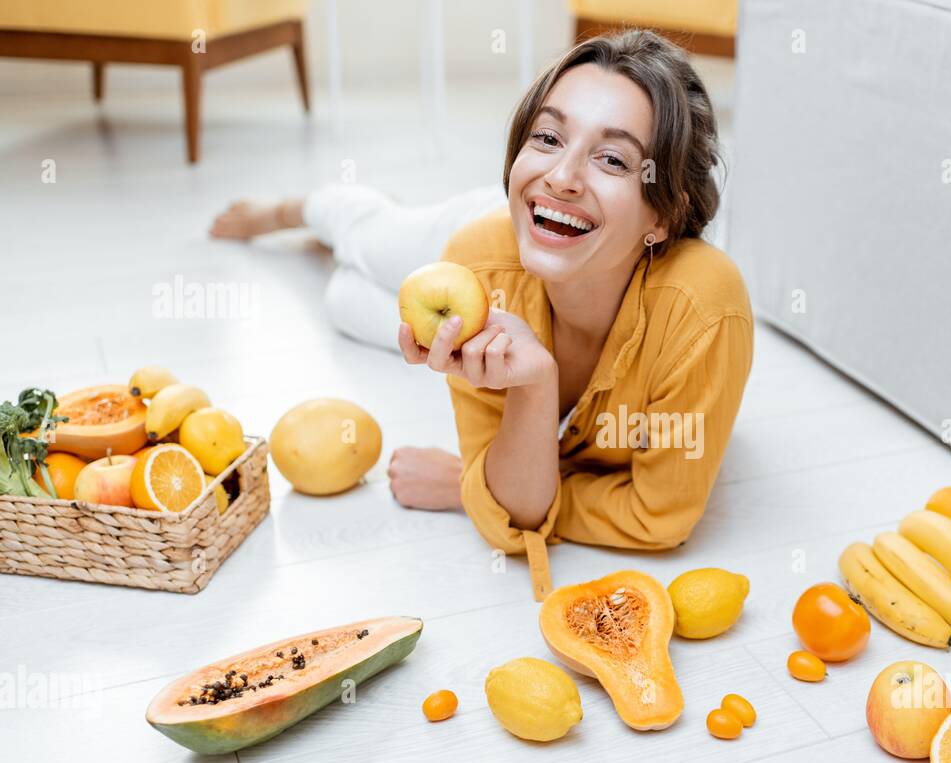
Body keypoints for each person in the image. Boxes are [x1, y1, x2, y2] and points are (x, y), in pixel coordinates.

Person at [211, 30, 753, 600]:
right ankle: (292, 209)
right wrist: (486, 490)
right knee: (371, 240)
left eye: (613, 159)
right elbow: (519, 506)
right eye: (547, 137)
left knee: (343, 304)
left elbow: (654, 518)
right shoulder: (477, 257)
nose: (563, 176)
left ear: (664, 215)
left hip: (556, 238)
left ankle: (330, 255)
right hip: (513, 237)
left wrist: (526, 400)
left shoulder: (705, 312)